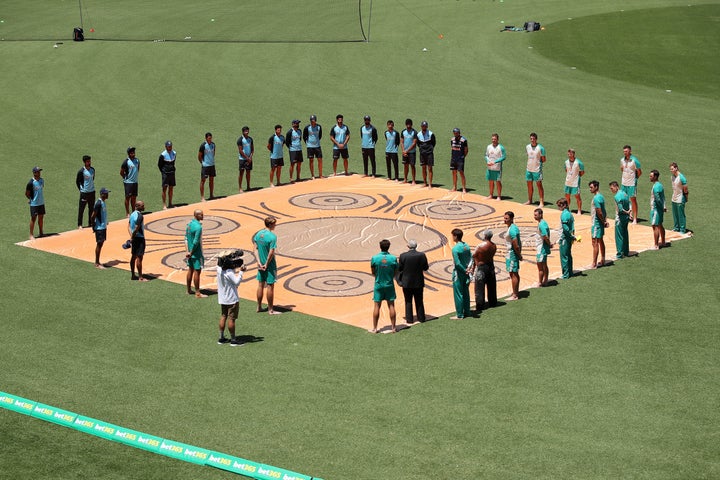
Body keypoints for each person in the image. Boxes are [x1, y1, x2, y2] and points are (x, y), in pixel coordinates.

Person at [216, 251, 247, 347]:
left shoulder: (218, 269)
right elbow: (237, 282)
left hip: (222, 298)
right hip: (231, 298)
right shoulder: (229, 272)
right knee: (231, 319)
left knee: (223, 316)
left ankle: (221, 338)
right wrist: (241, 271)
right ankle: (233, 340)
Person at [253, 216, 280, 315]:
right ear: (271, 224)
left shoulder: (259, 234)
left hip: (260, 264)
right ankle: (270, 309)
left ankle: (259, 306)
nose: (275, 225)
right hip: (269, 266)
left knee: (260, 285)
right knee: (270, 286)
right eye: (274, 224)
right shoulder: (272, 237)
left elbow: (255, 249)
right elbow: (271, 252)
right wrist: (266, 264)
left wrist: (259, 262)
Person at [397, 239, 429, 324]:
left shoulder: (403, 256)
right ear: (416, 246)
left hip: (407, 282)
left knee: (408, 301)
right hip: (418, 281)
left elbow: (399, 268)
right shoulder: (422, 255)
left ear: (408, 246)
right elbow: (426, 268)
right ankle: (421, 317)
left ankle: (409, 319)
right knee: (419, 300)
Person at [370, 239, 398, 333]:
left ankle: (375, 328)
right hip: (389, 284)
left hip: (378, 284)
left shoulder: (375, 258)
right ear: (388, 247)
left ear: (380, 247)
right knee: (391, 305)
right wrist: (390, 277)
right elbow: (396, 271)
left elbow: (373, 272)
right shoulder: (393, 258)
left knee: (377, 306)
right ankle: (393, 328)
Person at [467, 229, 497, 313]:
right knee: (491, 285)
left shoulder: (481, 246)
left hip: (481, 267)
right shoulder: (494, 246)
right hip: (490, 266)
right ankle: (493, 302)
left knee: (479, 287)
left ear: (485, 236)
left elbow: (474, 256)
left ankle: (480, 305)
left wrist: (472, 268)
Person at [450, 228, 472, 319]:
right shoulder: (466, 246)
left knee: (458, 293)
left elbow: (457, 263)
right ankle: (467, 311)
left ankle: (459, 314)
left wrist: (464, 270)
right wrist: (468, 269)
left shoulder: (455, 249)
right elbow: (471, 258)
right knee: (466, 292)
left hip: (459, 273)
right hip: (467, 272)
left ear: (455, 236)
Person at [185, 209, 206, 296]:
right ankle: (197, 292)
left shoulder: (189, 225)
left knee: (190, 270)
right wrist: (192, 252)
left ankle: (189, 290)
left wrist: (187, 251)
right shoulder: (198, 227)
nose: (203, 216)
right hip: (196, 253)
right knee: (197, 271)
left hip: (189, 252)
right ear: (196, 215)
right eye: (201, 215)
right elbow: (196, 241)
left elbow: (186, 238)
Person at [620, 145, 642, 224]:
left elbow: (639, 172)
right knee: (624, 199)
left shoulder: (634, 160)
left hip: (632, 183)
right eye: (624, 151)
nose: (625, 153)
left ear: (630, 151)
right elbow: (622, 169)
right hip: (624, 182)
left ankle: (635, 219)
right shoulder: (622, 160)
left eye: (626, 151)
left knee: (633, 200)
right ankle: (627, 214)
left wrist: (635, 179)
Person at [588, 180, 608, 268]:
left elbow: (599, 211)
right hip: (600, 223)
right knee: (600, 241)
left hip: (596, 223)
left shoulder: (596, 198)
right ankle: (603, 259)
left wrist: (603, 221)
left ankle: (594, 263)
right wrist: (605, 220)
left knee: (594, 242)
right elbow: (604, 210)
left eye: (591, 187)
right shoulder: (601, 197)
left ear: (596, 187)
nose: (590, 189)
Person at [609, 181, 631, 259]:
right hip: (626, 218)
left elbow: (621, 209)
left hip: (620, 218)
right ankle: (626, 251)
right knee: (625, 234)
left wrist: (627, 212)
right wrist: (629, 213)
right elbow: (629, 203)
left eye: (612, 188)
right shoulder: (625, 194)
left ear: (616, 187)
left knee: (619, 236)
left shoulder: (617, 196)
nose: (611, 190)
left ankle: (619, 253)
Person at [504, 211, 523, 300]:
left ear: (511, 219)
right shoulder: (512, 228)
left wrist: (519, 255)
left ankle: (515, 295)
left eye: (507, 218)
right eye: (504, 218)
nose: (505, 220)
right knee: (512, 273)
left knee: (514, 273)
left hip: (512, 254)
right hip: (510, 254)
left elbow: (515, 243)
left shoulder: (512, 229)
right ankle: (515, 291)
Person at [525, 132, 547, 205]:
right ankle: (530, 200)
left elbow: (544, 159)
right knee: (529, 185)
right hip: (529, 169)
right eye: (531, 139)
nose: (532, 140)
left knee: (539, 185)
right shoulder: (527, 147)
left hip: (537, 170)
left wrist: (538, 163)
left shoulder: (540, 148)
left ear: (536, 139)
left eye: (533, 139)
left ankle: (541, 202)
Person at [90, 187, 110, 269]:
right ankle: (97, 263)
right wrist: (93, 226)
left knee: (101, 244)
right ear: (102, 194)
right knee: (99, 244)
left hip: (103, 227)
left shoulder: (103, 202)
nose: (107, 194)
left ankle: (98, 261)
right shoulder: (98, 203)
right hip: (99, 227)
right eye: (106, 193)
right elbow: (93, 216)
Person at [128, 200, 148, 281]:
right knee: (139, 258)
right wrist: (132, 237)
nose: (144, 207)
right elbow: (137, 227)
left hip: (135, 238)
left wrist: (131, 237)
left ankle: (133, 275)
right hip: (139, 239)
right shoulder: (140, 216)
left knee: (133, 256)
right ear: (137, 206)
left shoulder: (132, 214)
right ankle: (140, 277)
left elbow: (129, 226)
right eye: (142, 205)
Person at [556, 198, 575, 279]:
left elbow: (565, 228)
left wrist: (569, 236)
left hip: (565, 238)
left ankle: (565, 274)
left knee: (564, 256)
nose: (558, 208)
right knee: (568, 255)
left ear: (563, 205)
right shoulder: (569, 214)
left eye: (559, 206)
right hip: (569, 237)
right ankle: (570, 272)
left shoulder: (564, 214)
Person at [76, 155, 96, 229]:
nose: (89, 162)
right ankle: (79, 224)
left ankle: (90, 223)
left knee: (91, 208)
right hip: (84, 193)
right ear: (84, 162)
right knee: (81, 209)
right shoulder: (81, 171)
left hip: (92, 192)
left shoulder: (93, 170)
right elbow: (78, 181)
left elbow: (92, 178)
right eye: (88, 161)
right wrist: (82, 189)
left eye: (90, 161)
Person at [533, 208, 551, 287]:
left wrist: (549, 244)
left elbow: (545, 236)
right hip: (541, 247)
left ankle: (540, 282)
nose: (534, 216)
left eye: (536, 215)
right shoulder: (543, 223)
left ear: (541, 215)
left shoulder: (541, 224)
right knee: (544, 265)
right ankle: (545, 280)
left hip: (541, 248)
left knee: (540, 265)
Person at [649, 169, 667, 249]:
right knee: (660, 225)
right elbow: (663, 198)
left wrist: (661, 207)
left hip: (656, 209)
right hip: (659, 209)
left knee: (655, 226)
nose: (650, 177)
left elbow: (658, 199)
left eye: (651, 176)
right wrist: (663, 207)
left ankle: (656, 245)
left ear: (655, 177)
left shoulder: (656, 186)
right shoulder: (660, 185)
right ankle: (663, 242)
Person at [485, 133, 506, 200]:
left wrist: (495, 162)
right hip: (490, 167)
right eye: (492, 139)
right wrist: (488, 161)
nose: (493, 140)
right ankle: (491, 195)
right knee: (490, 181)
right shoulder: (489, 147)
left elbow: (504, 157)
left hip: (497, 168)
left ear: (497, 139)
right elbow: (486, 155)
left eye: (495, 139)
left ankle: (499, 196)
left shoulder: (501, 148)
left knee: (498, 181)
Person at [26, 166, 45, 240]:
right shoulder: (31, 183)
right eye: (38, 172)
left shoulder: (42, 180)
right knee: (33, 219)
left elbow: (40, 190)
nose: (39, 173)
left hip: (41, 203)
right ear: (34, 173)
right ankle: (31, 235)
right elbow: (27, 193)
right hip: (34, 204)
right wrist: (31, 199)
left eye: (39, 171)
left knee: (41, 218)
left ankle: (41, 232)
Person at [564, 148, 584, 215]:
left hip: (575, 182)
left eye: (571, 153)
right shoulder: (566, 162)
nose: (569, 155)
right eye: (568, 153)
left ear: (573, 154)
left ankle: (579, 210)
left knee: (577, 197)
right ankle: (567, 209)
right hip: (568, 182)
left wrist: (576, 176)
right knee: (567, 196)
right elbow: (566, 170)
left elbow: (582, 172)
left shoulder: (579, 162)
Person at [669, 162, 688, 233]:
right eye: (670, 169)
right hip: (674, 197)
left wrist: (686, 197)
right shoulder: (672, 177)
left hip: (680, 198)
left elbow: (685, 188)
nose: (671, 170)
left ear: (676, 168)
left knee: (681, 215)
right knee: (675, 214)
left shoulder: (681, 177)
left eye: (672, 169)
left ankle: (682, 229)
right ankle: (676, 227)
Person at [120, 146, 139, 216]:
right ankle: (127, 213)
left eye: (134, 152)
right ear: (129, 154)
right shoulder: (126, 162)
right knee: (127, 198)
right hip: (128, 183)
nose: (133, 154)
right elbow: (121, 172)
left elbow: (137, 170)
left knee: (134, 198)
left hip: (135, 182)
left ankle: (133, 212)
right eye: (131, 153)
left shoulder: (137, 160)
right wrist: (126, 178)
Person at [417, 121, 436, 188]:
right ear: (421, 126)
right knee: (423, 168)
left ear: (427, 126)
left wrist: (429, 149)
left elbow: (433, 143)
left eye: (425, 126)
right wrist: (422, 150)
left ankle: (430, 184)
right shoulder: (418, 134)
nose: (424, 127)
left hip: (429, 154)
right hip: (422, 154)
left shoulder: (431, 134)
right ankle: (425, 183)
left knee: (430, 168)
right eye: (423, 126)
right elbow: (418, 144)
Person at [158, 140, 176, 209]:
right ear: (166, 147)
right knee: (164, 188)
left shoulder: (174, 153)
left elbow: (173, 162)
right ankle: (164, 205)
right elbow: (159, 165)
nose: (170, 148)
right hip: (165, 173)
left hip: (172, 173)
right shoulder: (163, 155)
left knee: (171, 188)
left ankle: (170, 203)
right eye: (168, 147)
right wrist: (163, 172)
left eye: (170, 146)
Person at [198, 132, 216, 201]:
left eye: (211, 138)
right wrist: (203, 163)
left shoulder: (213, 144)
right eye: (209, 138)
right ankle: (202, 197)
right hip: (205, 166)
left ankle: (211, 195)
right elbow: (199, 156)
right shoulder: (203, 145)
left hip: (212, 165)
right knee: (203, 181)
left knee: (211, 180)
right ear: (206, 138)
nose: (210, 139)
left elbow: (213, 153)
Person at [450, 128, 468, 193]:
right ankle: (454, 187)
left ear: (459, 133)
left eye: (456, 133)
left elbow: (466, 150)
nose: (455, 134)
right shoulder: (452, 139)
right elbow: (452, 148)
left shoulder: (463, 140)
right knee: (454, 173)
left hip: (460, 159)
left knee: (461, 173)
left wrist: (463, 157)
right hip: (453, 158)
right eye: (454, 133)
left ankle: (464, 188)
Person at [401, 118, 418, 184]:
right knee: (405, 165)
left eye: (409, 124)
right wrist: (403, 151)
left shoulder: (414, 132)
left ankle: (413, 180)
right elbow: (401, 142)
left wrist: (407, 151)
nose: (408, 125)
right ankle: (405, 179)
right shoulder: (403, 132)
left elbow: (414, 143)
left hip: (412, 152)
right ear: (406, 124)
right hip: (405, 152)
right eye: (407, 124)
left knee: (412, 165)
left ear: (411, 125)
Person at [237, 126, 254, 192]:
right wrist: (247, 158)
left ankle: (248, 186)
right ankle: (240, 188)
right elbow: (240, 151)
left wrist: (250, 157)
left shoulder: (250, 139)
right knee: (241, 173)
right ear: (243, 132)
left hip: (249, 159)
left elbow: (252, 149)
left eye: (247, 131)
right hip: (242, 159)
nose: (247, 132)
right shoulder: (240, 140)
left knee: (248, 172)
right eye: (245, 131)